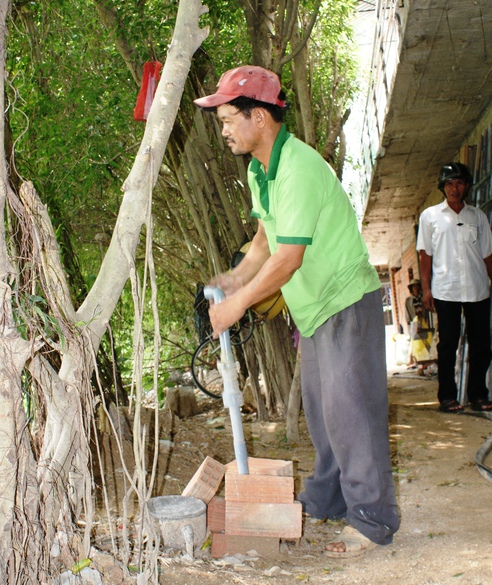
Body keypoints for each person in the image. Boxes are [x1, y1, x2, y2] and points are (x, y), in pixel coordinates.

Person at [194, 65, 399, 558]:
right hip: (313, 311)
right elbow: (265, 242)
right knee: (324, 414)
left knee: (351, 412)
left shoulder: (300, 168)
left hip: (346, 300)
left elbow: (289, 258)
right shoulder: (260, 171)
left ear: (259, 117)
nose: (222, 130)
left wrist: (237, 307)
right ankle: (328, 500)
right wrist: (235, 278)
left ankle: (373, 520)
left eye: (227, 119)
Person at [416, 162, 492, 413]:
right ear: (442, 187)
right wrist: (426, 290)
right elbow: (425, 256)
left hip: (477, 288)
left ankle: (478, 395)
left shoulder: (477, 216)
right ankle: (447, 397)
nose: (454, 188)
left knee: (482, 345)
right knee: (448, 345)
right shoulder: (430, 216)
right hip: (446, 290)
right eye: (449, 183)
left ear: (466, 186)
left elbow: (487, 255)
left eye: (459, 182)